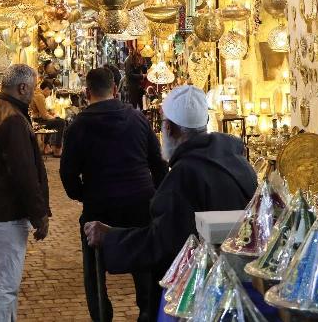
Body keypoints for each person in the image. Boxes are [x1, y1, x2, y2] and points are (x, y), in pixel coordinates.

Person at [83, 85, 257, 320]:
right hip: (241, 286)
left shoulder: (183, 176)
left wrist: (110, 238)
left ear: (168, 129)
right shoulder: (240, 164)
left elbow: (165, 243)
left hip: (202, 296)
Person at [60, 68, 168, 322]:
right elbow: (159, 163)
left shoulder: (78, 126)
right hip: (140, 203)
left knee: (93, 267)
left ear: (87, 92)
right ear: (115, 90)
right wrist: (155, 195)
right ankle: (147, 310)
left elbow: (68, 174)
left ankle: (101, 314)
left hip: (100, 206)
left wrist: (83, 194)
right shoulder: (137, 119)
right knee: (145, 261)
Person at [0, 64, 51, 322]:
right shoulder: (11, 118)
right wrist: (39, 214)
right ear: (22, 87)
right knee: (3, 286)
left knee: (5, 285)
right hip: (4, 211)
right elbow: (23, 171)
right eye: (33, 87)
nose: (35, 92)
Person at [30, 79, 67, 157]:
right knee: (61, 122)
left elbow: (44, 111)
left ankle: (47, 146)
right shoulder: (39, 96)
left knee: (58, 121)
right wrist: (54, 117)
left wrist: (52, 114)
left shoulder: (38, 95)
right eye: (50, 92)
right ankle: (57, 149)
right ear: (46, 89)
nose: (49, 94)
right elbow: (44, 115)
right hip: (38, 121)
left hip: (39, 119)